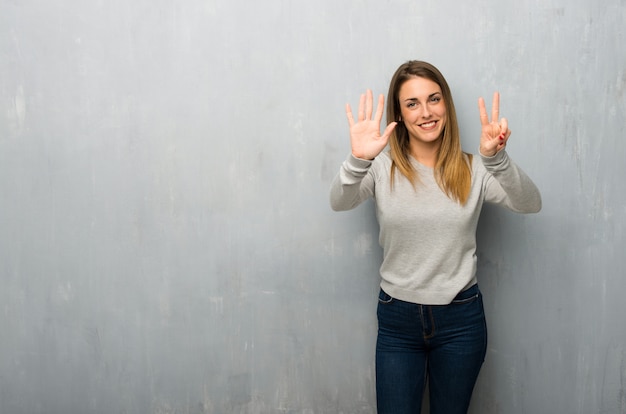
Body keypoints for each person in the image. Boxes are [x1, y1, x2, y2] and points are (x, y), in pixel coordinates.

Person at [329, 60, 541, 414]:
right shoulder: (382, 167)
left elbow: (530, 203)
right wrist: (357, 159)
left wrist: (497, 160)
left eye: (434, 99)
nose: (426, 112)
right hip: (398, 321)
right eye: (412, 103)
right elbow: (340, 201)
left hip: (461, 321)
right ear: (399, 113)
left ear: (446, 106)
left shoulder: (474, 169)